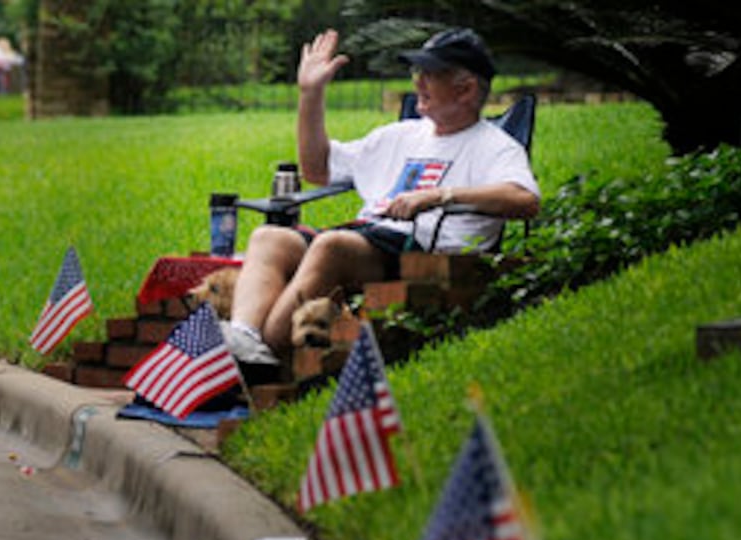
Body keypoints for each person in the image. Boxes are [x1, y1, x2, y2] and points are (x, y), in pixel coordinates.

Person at [222, 27, 541, 365]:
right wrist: (310, 94)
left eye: (430, 74)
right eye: (418, 72)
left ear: (466, 89)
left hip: (425, 256)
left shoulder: (494, 146)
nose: (417, 82)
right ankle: (245, 336)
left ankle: (261, 356)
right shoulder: (398, 136)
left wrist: (439, 195)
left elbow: (525, 200)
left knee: (333, 246)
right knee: (270, 237)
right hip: (370, 239)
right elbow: (316, 169)